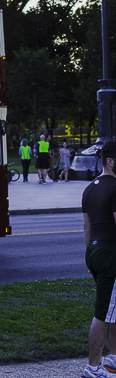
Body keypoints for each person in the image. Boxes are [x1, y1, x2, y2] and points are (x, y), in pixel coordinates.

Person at [82, 139, 116, 378]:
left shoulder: (89, 188)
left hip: (94, 251)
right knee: (103, 312)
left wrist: (90, 258)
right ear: (110, 161)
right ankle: (93, 368)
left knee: (113, 308)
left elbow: (87, 228)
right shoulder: (115, 187)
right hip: (110, 253)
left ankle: (113, 357)